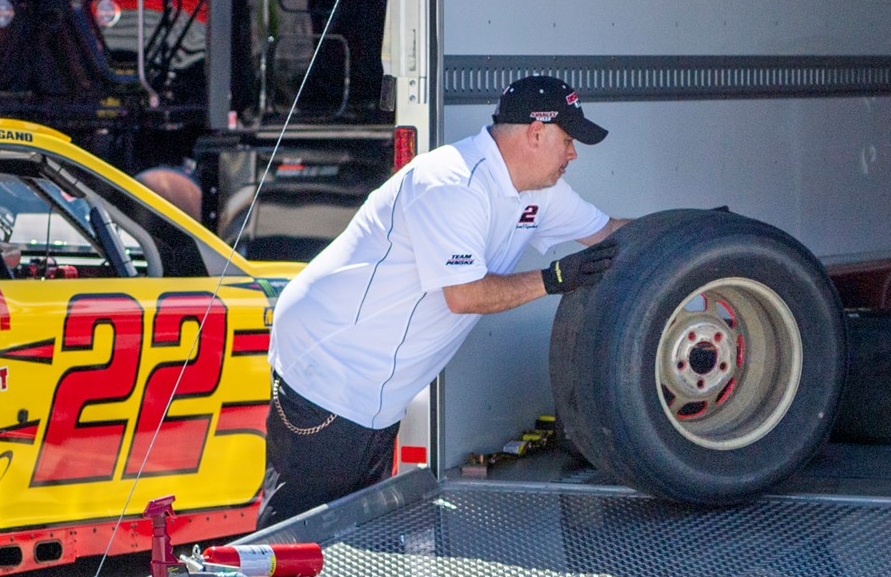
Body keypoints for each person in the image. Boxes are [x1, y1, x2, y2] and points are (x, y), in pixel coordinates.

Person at [262, 75, 629, 526]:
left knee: (356, 533)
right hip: (330, 365)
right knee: (301, 535)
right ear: (536, 132)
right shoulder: (450, 183)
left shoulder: (540, 190)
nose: (573, 153)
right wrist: (554, 279)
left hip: (375, 386)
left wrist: (696, 232)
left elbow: (611, 232)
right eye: (568, 139)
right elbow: (465, 294)